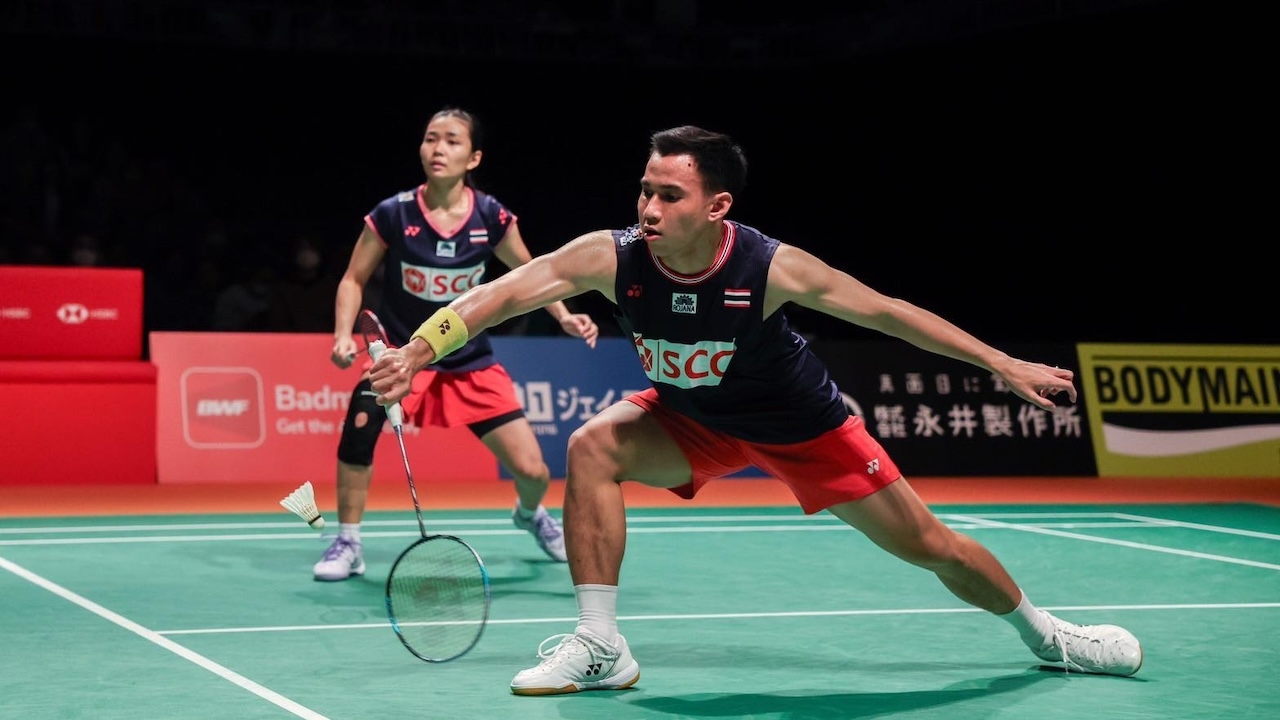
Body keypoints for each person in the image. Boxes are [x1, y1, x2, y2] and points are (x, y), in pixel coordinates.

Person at [367, 125, 1143, 692]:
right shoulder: (612, 256)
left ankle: (1050, 637)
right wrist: (416, 352)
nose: (649, 207)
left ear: (717, 205)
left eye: (670, 195)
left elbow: (888, 313)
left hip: (801, 425)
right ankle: (601, 645)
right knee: (594, 446)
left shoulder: (768, 267)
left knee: (931, 546)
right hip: (693, 422)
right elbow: (500, 294)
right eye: (644, 190)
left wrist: (1001, 363)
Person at [314, 107, 600, 581]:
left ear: (474, 157)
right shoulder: (394, 213)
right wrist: (343, 333)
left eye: (451, 141)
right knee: (360, 425)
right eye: (431, 138)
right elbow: (352, 278)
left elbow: (532, 274)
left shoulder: (491, 216)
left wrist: (564, 316)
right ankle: (348, 541)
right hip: (403, 356)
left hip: (469, 359)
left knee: (533, 472)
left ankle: (530, 514)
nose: (438, 149)